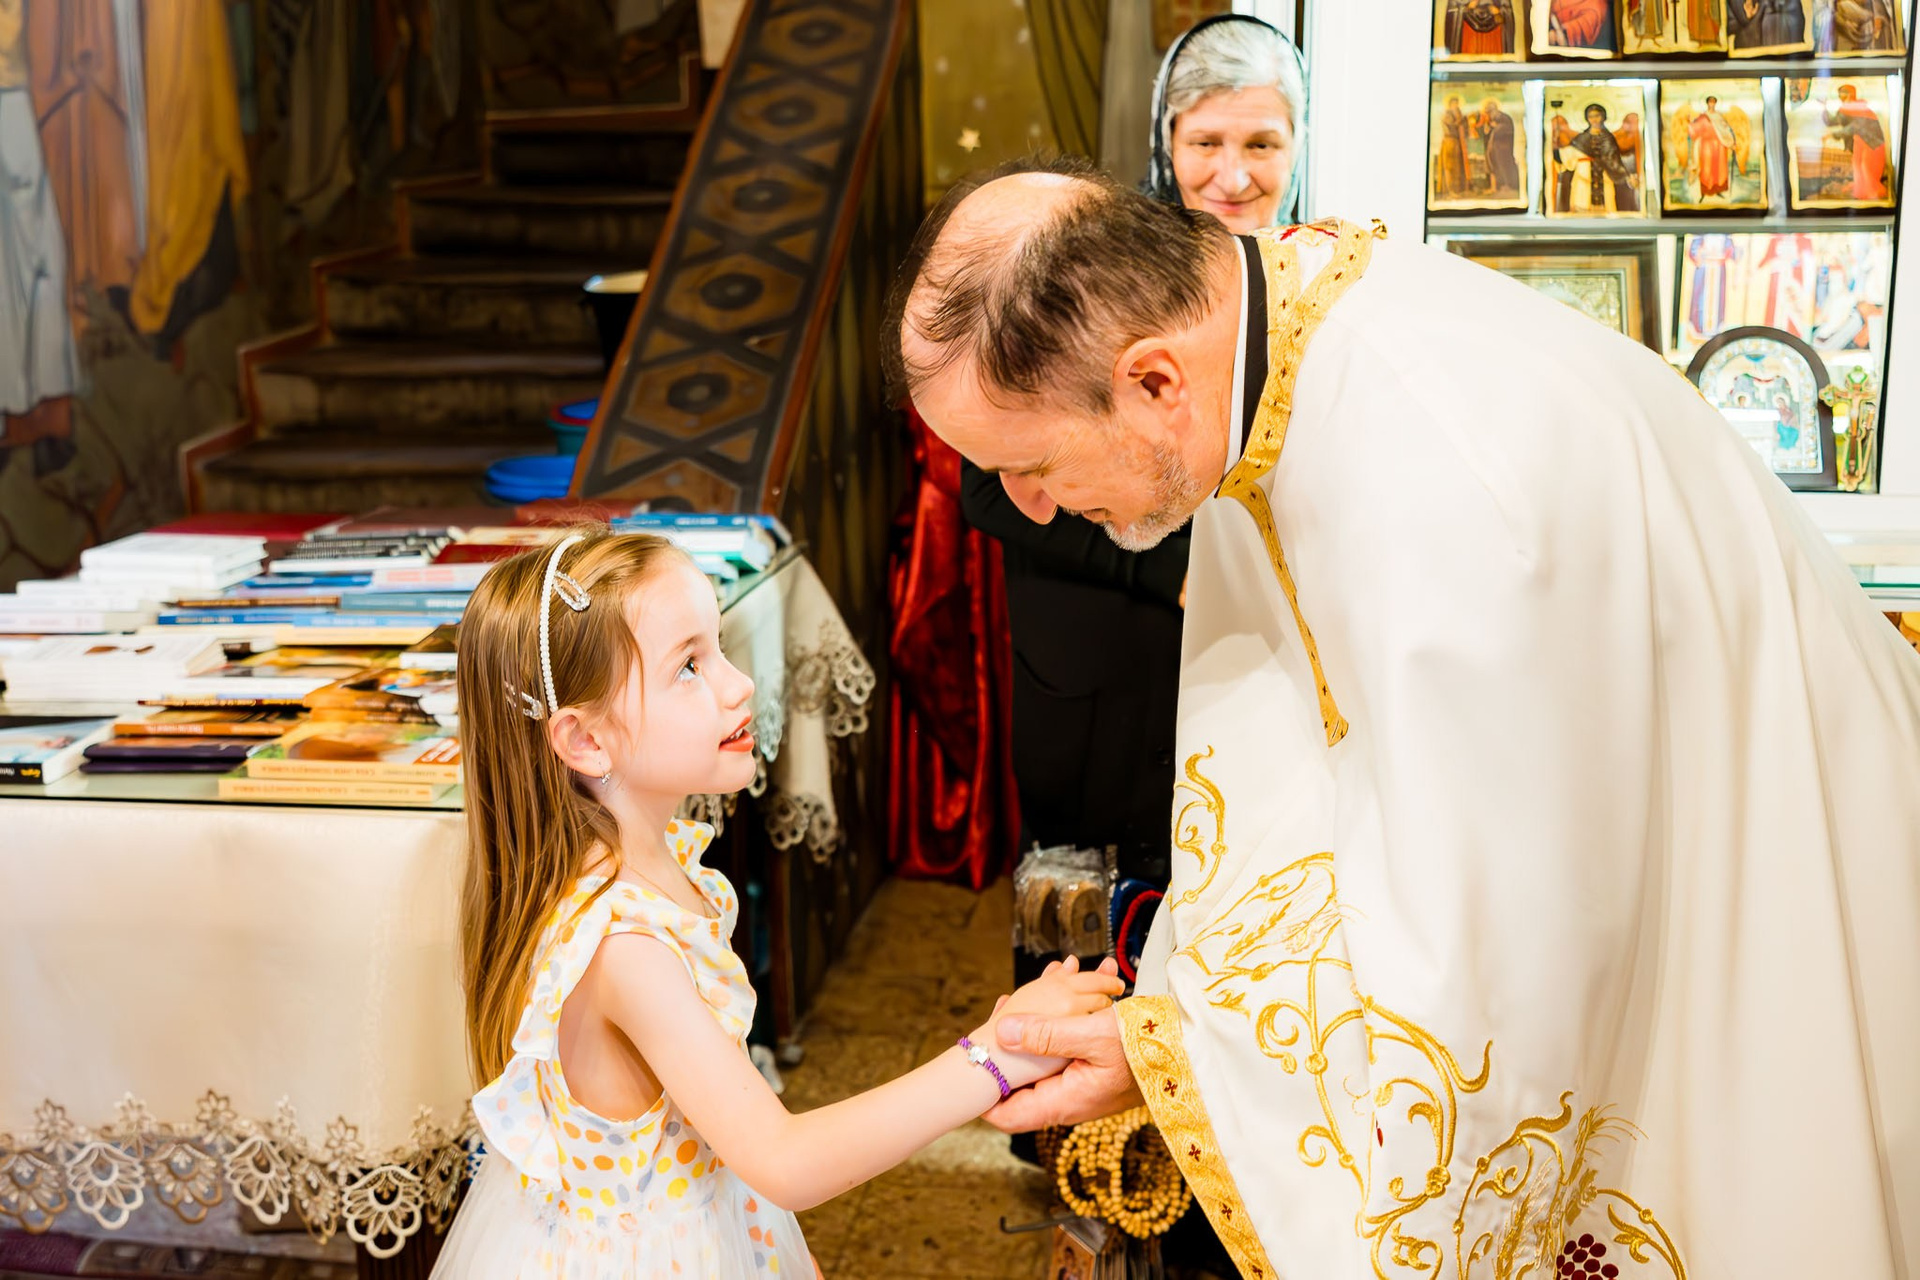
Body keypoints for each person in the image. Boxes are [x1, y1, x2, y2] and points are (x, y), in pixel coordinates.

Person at [884, 155, 1920, 1278]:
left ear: (1151, 381)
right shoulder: (1261, 353)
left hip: (1753, 917)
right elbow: (1311, 768)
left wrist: (1198, 1064)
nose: (1031, 508)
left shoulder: (1444, 487)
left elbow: (1497, 977)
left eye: (1032, 463)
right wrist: (1173, 1033)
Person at [431, 529, 1124, 1278]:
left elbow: (717, 1126)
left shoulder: (655, 871)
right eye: (689, 666)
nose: (738, 685)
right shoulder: (624, 947)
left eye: (720, 647)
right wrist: (1002, 1052)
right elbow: (784, 1160)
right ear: (586, 740)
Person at [962, 14, 1308, 889]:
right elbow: (988, 490)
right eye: (1206, 142)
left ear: (1299, 146)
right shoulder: (1082, 275)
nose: (1234, 175)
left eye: (1262, 144)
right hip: (1097, 684)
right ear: (1166, 138)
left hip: (1246, 685)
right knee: (1082, 936)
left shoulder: (1319, 287)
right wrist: (1169, 570)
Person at [1554, 102, 1640, 212]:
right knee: (1581, 209)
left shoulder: (1608, 139)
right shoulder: (1581, 139)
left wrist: (1626, 176)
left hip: (1605, 179)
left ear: (1603, 117)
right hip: (1583, 180)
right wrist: (1556, 146)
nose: (1594, 119)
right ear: (1587, 118)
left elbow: (1615, 162)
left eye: (1597, 116)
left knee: (1606, 208)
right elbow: (1567, 155)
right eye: (1591, 116)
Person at [1825, 83, 1890, 201]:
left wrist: (1833, 135)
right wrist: (1824, 107)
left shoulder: (1862, 108)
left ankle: (1875, 196)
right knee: (1857, 167)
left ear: (1851, 94)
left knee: (1866, 169)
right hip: (1859, 143)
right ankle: (1861, 194)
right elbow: (1831, 122)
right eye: (1840, 95)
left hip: (1872, 144)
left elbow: (1854, 127)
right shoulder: (1844, 109)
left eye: (1843, 94)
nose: (1841, 98)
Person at [1689, 95, 1735, 197]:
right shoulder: (1703, 117)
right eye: (1710, 102)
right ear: (1707, 103)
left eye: (1714, 102)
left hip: (1720, 146)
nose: (1712, 104)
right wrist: (1689, 123)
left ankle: (1718, 190)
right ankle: (1706, 191)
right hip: (1706, 147)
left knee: (1719, 170)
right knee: (1707, 169)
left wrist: (1730, 141)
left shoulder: (1719, 116)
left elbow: (1725, 129)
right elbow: (1695, 129)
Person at [1475, 95, 1519, 194]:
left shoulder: (1503, 117)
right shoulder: (1489, 119)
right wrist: (1486, 127)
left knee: (1504, 165)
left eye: (1490, 110)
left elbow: (1507, 128)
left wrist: (1496, 127)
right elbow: (1485, 133)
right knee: (1492, 166)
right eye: (1487, 111)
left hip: (1503, 148)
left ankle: (1508, 186)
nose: (1488, 113)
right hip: (1493, 147)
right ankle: (1494, 187)